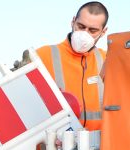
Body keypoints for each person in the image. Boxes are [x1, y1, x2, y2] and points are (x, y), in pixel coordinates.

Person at [36, 2, 109, 130]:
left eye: (92, 30)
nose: (84, 34)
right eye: (81, 26)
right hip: (54, 146)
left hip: (99, 147)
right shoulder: (42, 56)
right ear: (73, 21)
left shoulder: (107, 60)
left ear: (103, 32)